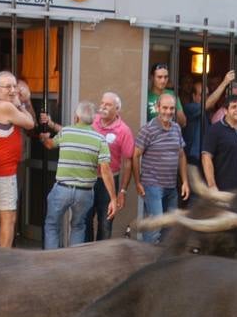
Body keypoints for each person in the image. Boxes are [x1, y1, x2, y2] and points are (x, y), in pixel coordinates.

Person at [41, 101, 116, 249]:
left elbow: (50, 144)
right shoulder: (100, 139)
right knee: (78, 226)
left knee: (52, 225)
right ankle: (73, 261)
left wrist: (43, 138)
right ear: (93, 119)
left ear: (76, 117)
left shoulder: (66, 132)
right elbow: (106, 170)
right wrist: (113, 198)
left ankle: (50, 260)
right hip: (84, 192)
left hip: (62, 189)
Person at [0, 71, 36, 247]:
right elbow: (30, 124)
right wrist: (21, 104)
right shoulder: (5, 106)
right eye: (7, 87)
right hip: (2, 170)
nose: (12, 90)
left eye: (14, 86)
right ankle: (5, 256)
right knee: (9, 216)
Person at [134, 91, 188, 243]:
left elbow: (181, 155)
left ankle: (161, 257)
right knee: (155, 228)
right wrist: (137, 182)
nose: (168, 112)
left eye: (171, 108)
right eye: (165, 108)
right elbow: (135, 155)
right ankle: (146, 256)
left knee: (169, 229)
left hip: (171, 186)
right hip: (152, 186)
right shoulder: (148, 129)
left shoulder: (176, 128)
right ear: (157, 108)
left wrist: (185, 181)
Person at [88, 91, 134, 241]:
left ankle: (101, 254)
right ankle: (85, 253)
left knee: (105, 223)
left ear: (117, 109)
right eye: (102, 103)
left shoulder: (124, 130)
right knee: (85, 220)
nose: (103, 107)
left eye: (108, 105)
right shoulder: (92, 121)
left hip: (109, 182)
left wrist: (123, 191)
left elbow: (128, 162)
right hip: (88, 178)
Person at [202, 92, 237, 193]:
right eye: (234, 107)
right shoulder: (215, 130)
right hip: (222, 190)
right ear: (225, 111)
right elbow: (206, 157)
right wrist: (212, 185)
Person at [146, 63, 186, 127]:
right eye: (159, 77)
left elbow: (183, 123)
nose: (163, 80)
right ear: (152, 77)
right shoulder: (146, 96)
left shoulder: (172, 95)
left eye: (165, 77)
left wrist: (174, 105)